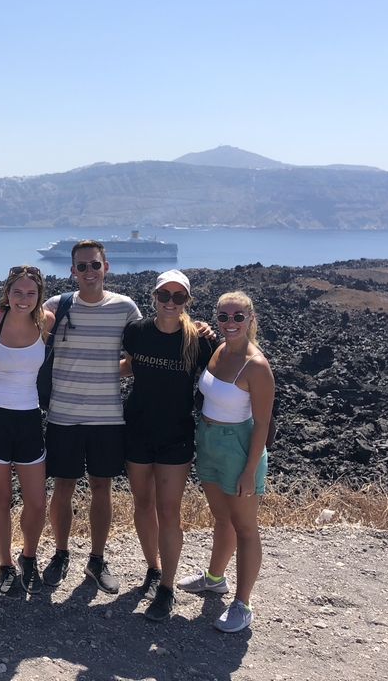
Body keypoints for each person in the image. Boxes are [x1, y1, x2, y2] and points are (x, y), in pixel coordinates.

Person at [40, 240, 142, 595]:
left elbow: (137, 358)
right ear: (72, 271)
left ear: (105, 267)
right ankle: (60, 554)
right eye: (81, 266)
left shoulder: (125, 308)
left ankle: (97, 560)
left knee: (102, 487)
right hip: (63, 415)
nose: (88, 272)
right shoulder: (56, 306)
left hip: (107, 416)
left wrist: (106, 369)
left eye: (94, 265)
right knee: (63, 487)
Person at [119, 270, 217, 622]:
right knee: (143, 503)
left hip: (176, 435)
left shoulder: (199, 340)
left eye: (178, 297)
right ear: (154, 297)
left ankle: (167, 587)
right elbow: (129, 366)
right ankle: (153, 568)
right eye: (164, 295)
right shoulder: (136, 331)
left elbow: (225, 375)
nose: (170, 302)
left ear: (187, 301)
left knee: (169, 511)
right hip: (137, 429)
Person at [177, 291, 274, 634]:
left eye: (237, 317)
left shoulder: (256, 366)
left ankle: (242, 604)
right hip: (208, 441)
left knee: (245, 527)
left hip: (238, 447)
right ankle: (215, 578)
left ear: (250, 319)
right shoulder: (218, 349)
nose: (230, 323)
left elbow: (262, 423)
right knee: (222, 518)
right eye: (223, 317)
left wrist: (249, 471)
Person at [0, 266, 54, 594]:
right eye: (17, 291)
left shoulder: (46, 321)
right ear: (7, 292)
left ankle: (28, 557)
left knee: (37, 502)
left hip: (29, 417)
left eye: (31, 293)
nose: (23, 298)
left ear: (39, 295)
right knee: (2, 497)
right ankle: (5, 564)